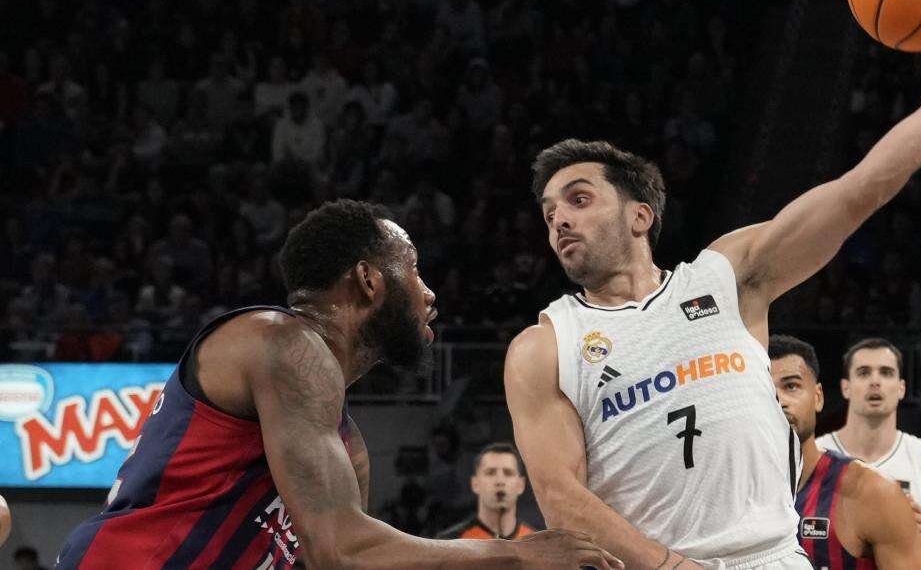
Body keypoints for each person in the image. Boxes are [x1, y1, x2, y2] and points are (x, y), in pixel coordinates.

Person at [505, 0, 921, 569]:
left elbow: (859, 190)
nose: (559, 219)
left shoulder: (726, 276)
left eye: (579, 199)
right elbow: (560, 499)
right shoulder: (545, 345)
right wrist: (669, 566)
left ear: (640, 216)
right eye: (549, 210)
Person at [58, 200, 620, 569]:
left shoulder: (346, 443)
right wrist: (518, 555)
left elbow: (352, 553)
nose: (430, 295)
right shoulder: (279, 341)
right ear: (369, 279)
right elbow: (339, 549)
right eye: (415, 270)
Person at [816, 339, 921, 570]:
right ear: (846, 387)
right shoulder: (813, 456)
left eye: (886, 373)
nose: (875, 382)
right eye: (864, 373)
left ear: (901, 387)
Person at [768, 335, 921, 568]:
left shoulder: (873, 493)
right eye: (766, 389)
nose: (779, 400)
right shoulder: (725, 493)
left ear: (818, 397)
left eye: (791, 386)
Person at [438, 442, 539, 540]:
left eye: (508, 473)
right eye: (490, 473)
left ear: (521, 485)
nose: (500, 481)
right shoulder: (451, 543)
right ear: (475, 483)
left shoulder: (535, 544)